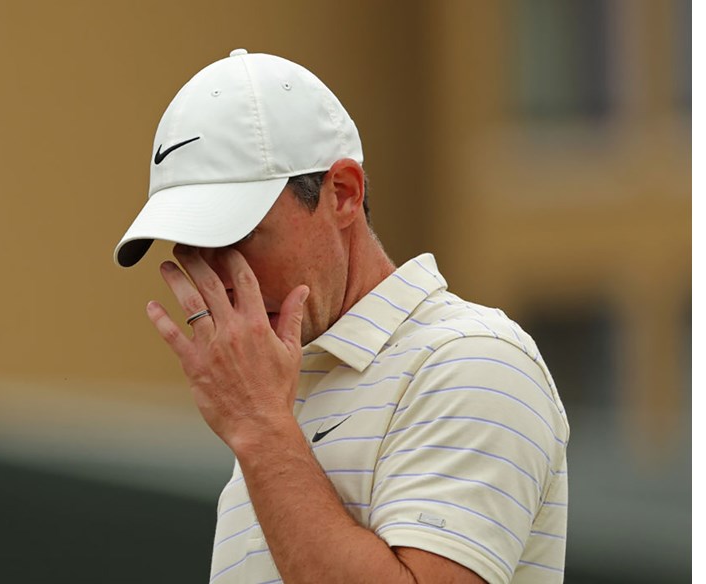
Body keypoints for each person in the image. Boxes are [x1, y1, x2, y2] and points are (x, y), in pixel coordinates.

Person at [113, 49, 569, 584]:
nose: (223, 280)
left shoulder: (476, 360)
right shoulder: (274, 408)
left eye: (238, 236)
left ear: (344, 194)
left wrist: (261, 430)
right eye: (194, 248)